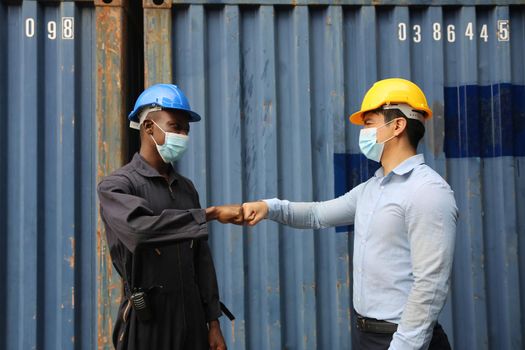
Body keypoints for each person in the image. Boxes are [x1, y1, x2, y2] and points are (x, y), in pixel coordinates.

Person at [242, 78, 458, 350]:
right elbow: (317, 214)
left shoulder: (428, 191)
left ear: (398, 125)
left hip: (403, 340)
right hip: (366, 336)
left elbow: (430, 285)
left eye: (369, 123)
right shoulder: (373, 188)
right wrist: (269, 207)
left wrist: (403, 346)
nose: (363, 132)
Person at [98, 84, 241, 350]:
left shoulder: (186, 188)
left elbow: (201, 259)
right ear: (149, 127)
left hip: (192, 320)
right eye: (175, 127)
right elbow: (139, 230)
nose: (183, 135)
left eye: (186, 129)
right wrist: (209, 214)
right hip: (149, 322)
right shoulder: (117, 186)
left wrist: (213, 323)